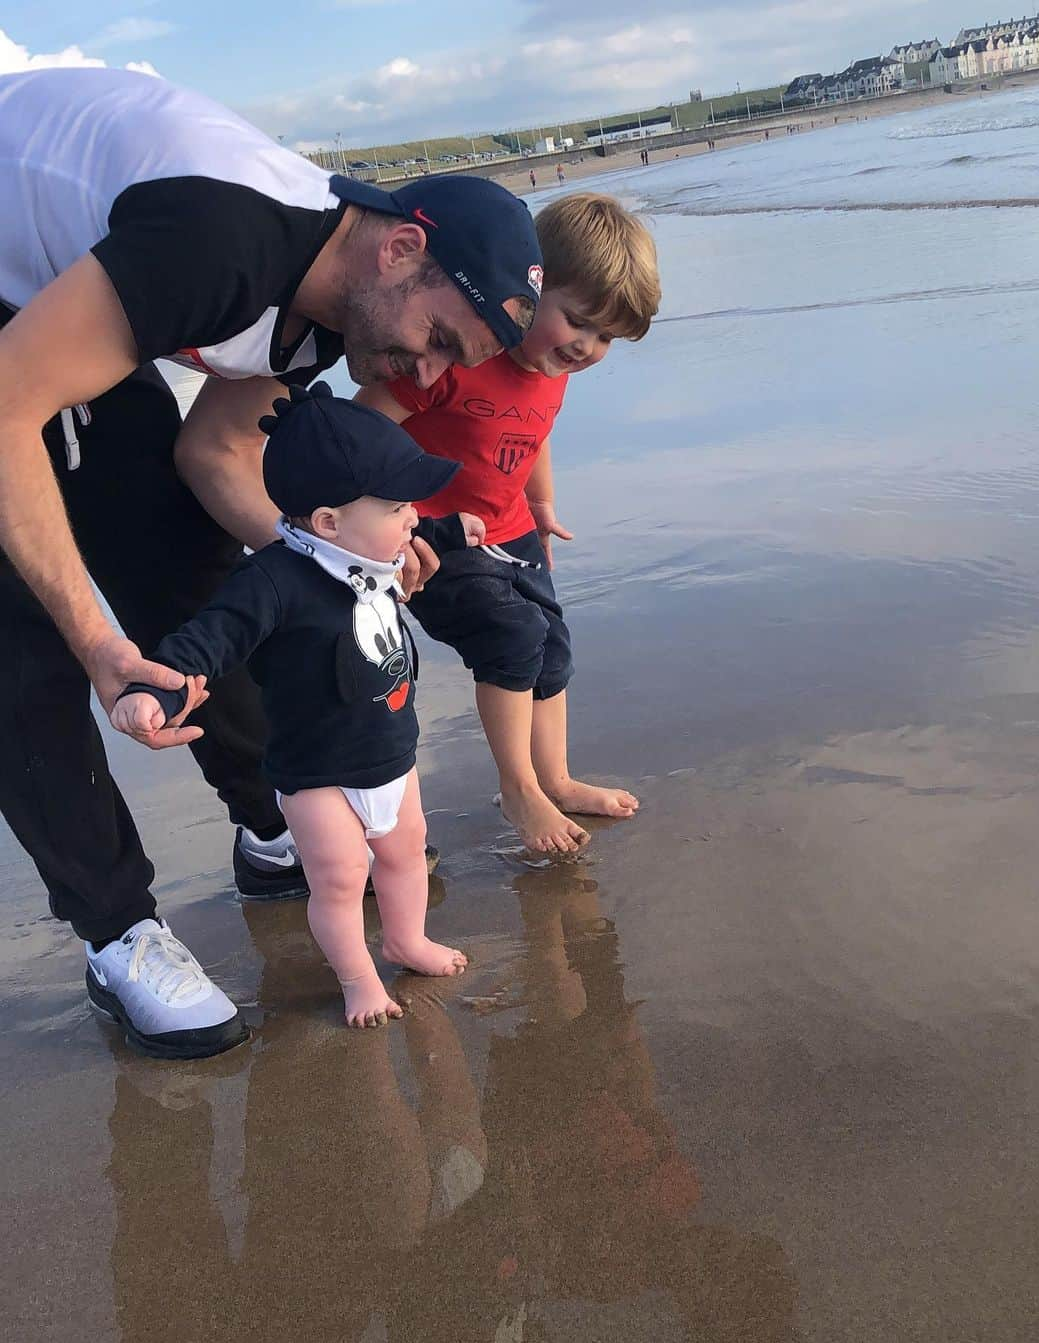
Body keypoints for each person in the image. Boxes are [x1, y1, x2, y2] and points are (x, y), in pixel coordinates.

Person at [0, 67, 542, 1057]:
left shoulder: (338, 308)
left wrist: (342, 563)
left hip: (63, 276)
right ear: (403, 247)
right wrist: (97, 640)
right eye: (433, 340)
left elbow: (212, 458)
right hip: (14, 297)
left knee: (186, 566)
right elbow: (6, 409)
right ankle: (118, 932)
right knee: (26, 638)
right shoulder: (222, 246)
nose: (423, 377)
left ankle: (270, 824)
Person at [111, 384, 476, 1034]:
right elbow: (210, 636)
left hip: (392, 751)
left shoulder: (375, 552)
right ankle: (358, 976)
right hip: (317, 772)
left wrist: (451, 531)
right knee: (340, 878)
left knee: (406, 853)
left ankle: (406, 940)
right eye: (397, 505)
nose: (412, 517)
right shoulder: (274, 582)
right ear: (329, 521)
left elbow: (418, 535)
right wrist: (155, 688)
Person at [359, 194, 660, 854]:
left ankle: (554, 778)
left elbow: (533, 436)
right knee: (512, 638)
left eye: (606, 337)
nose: (585, 347)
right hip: (439, 537)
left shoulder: (554, 369)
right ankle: (518, 788)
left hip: (515, 526)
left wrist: (543, 505)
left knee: (551, 646)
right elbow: (365, 427)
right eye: (576, 320)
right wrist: (388, 527)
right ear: (529, 286)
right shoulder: (460, 352)